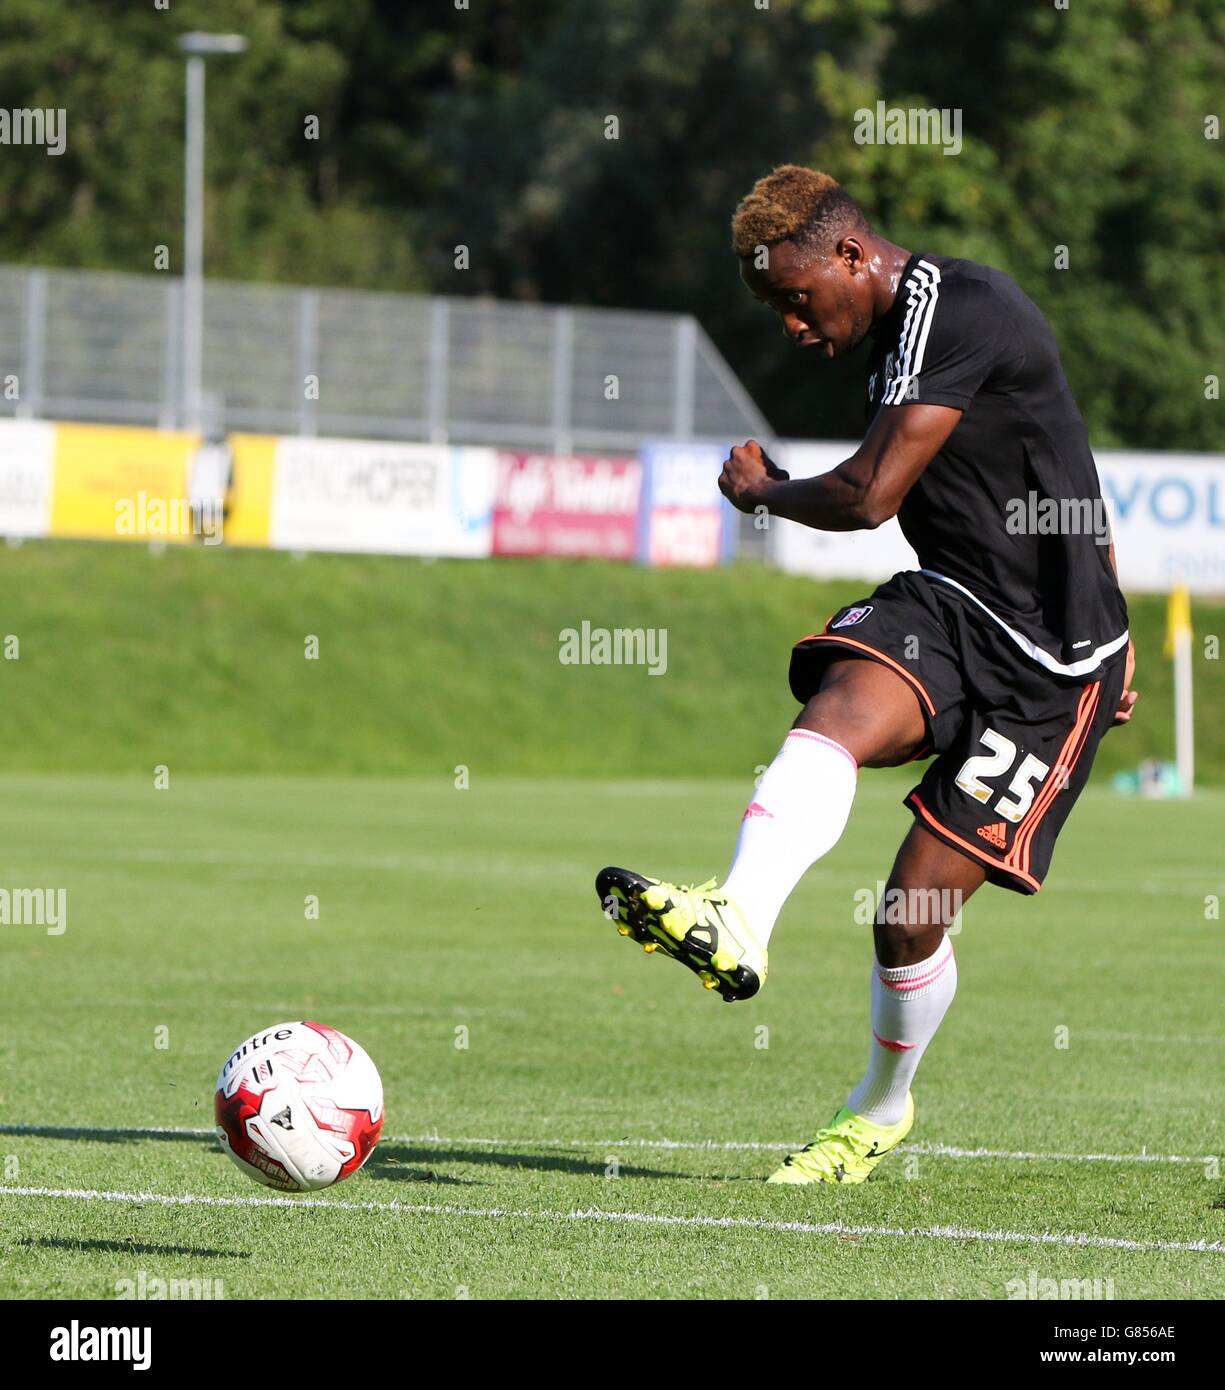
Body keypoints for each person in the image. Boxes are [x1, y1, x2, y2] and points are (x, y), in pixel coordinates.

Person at [594, 165, 1137, 1185]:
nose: (792, 325)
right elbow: (1057, 459)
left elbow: (869, 492)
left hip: (1053, 672)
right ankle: (738, 916)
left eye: (795, 299)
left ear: (850, 254)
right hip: (954, 603)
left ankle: (878, 1111)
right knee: (840, 700)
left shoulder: (957, 307)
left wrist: (761, 491)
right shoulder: (893, 333)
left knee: (907, 918)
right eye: (774, 309)